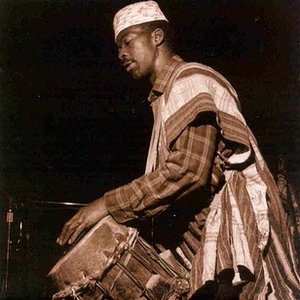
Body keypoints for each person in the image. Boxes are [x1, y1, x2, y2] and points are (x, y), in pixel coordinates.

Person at [57, 1, 300, 299]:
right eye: (118, 47)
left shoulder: (190, 81)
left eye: (128, 42)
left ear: (157, 36)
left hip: (236, 247)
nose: (121, 53)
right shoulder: (166, 96)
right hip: (208, 251)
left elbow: (187, 170)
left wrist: (107, 204)